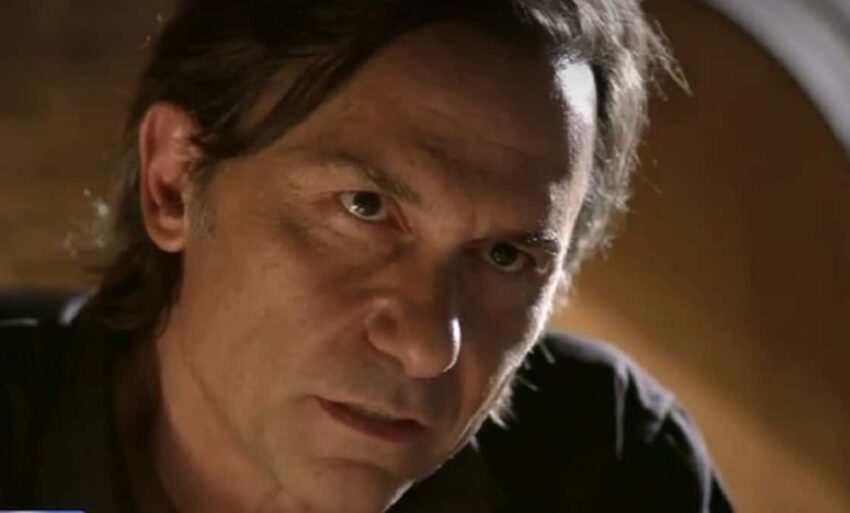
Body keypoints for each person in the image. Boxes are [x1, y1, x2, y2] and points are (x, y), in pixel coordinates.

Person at [0, 1, 734, 512]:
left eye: (505, 255)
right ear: (174, 181)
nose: (427, 347)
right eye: (365, 207)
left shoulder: (605, 465)